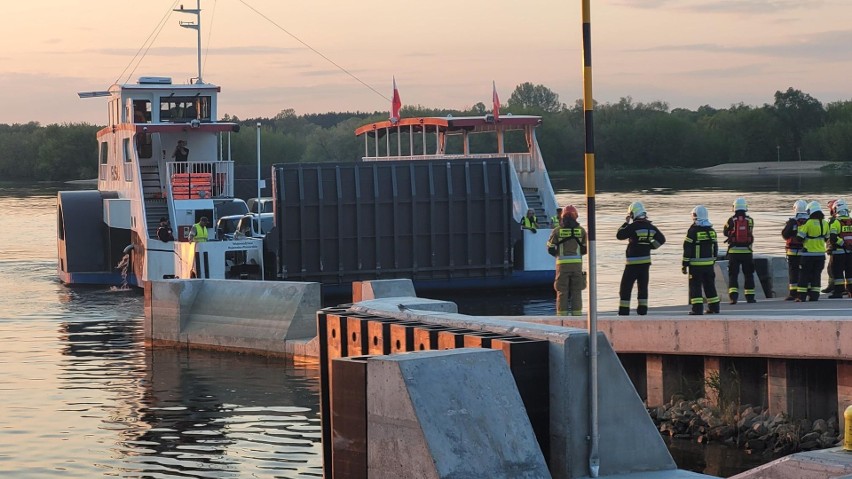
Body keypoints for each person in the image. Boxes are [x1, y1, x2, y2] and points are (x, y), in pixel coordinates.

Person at [615, 201, 666, 316]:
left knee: (625, 288)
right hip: (645, 263)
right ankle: (642, 311)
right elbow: (662, 239)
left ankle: (624, 312)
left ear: (633, 214)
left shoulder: (633, 226)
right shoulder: (651, 227)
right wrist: (651, 246)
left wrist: (625, 223)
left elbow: (619, 235)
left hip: (632, 263)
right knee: (643, 288)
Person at [546, 205, 587, 316]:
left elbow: (549, 248)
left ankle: (562, 318)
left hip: (562, 267)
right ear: (575, 216)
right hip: (577, 266)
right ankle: (577, 316)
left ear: (563, 216)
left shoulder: (557, 231)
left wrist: (558, 255)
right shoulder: (582, 231)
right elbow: (585, 249)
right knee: (577, 291)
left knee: (562, 291)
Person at [682, 205, 720, 315]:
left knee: (695, 286)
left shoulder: (693, 231)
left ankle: (697, 309)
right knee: (710, 285)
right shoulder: (712, 231)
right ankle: (714, 307)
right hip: (709, 265)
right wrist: (713, 261)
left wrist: (684, 264)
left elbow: (687, 248)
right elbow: (715, 248)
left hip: (696, 265)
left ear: (695, 216)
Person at [722, 197, 756, 304]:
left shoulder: (731, 220)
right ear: (745, 207)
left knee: (733, 275)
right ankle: (750, 297)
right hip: (747, 251)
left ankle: (734, 297)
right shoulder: (750, 220)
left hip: (734, 252)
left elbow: (725, 232)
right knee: (749, 274)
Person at [795, 201, 830, 302]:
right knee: (816, 275)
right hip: (820, 255)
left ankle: (801, 296)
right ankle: (814, 296)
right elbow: (827, 238)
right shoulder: (825, 223)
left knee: (804, 275)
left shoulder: (809, 223)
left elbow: (799, 238)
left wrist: (800, 229)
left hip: (808, 254)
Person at [781, 200, 809, 300]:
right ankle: (806, 291)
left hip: (792, 251)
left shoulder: (792, 221)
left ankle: (793, 293)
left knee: (793, 271)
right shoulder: (810, 221)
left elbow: (785, 235)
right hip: (806, 251)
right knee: (805, 271)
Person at [827, 199, 852, 298]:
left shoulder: (836, 222)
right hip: (850, 252)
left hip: (839, 252)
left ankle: (838, 292)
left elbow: (832, 237)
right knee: (850, 273)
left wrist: (842, 243)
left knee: (837, 272)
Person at [822, 199, 838, 293]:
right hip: (846, 248)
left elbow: (828, 235)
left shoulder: (832, 220)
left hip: (834, 248)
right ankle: (844, 287)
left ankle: (833, 286)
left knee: (831, 268)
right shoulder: (846, 219)